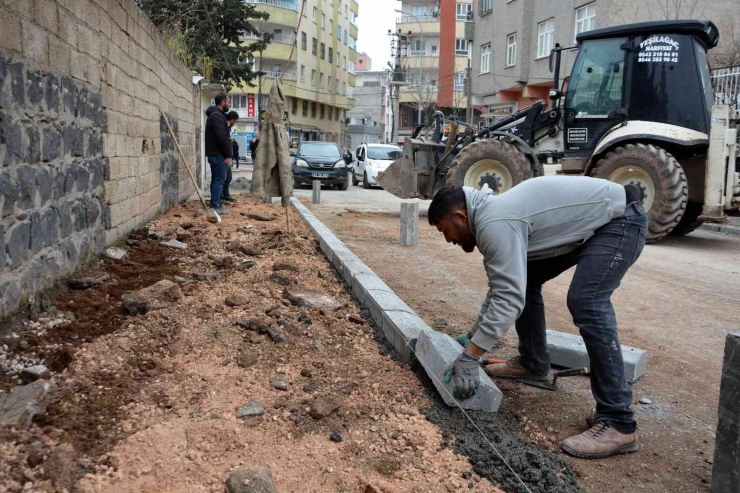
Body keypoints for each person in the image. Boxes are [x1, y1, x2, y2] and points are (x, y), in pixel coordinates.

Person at [429, 176, 647, 459]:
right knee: (527, 278)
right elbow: (504, 286)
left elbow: (508, 298)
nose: (449, 240)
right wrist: (473, 337)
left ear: (460, 216)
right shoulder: (490, 217)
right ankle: (533, 364)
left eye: (446, 231)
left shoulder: (494, 223)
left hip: (618, 222)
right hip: (595, 223)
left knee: (587, 301)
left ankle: (618, 420)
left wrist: (471, 356)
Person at [204, 92, 232, 215]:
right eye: (229, 102)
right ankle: (215, 205)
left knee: (216, 179)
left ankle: (215, 203)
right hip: (217, 154)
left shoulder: (216, 115)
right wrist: (228, 154)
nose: (229, 105)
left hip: (214, 153)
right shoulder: (218, 116)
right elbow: (222, 137)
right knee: (219, 179)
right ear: (223, 102)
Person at [221, 111, 239, 204]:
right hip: (224, 157)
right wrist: (227, 156)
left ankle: (226, 195)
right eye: (235, 121)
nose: (235, 123)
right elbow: (223, 142)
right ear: (232, 120)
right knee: (222, 179)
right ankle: (221, 197)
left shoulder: (228, 128)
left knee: (228, 177)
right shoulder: (224, 127)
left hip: (228, 157)